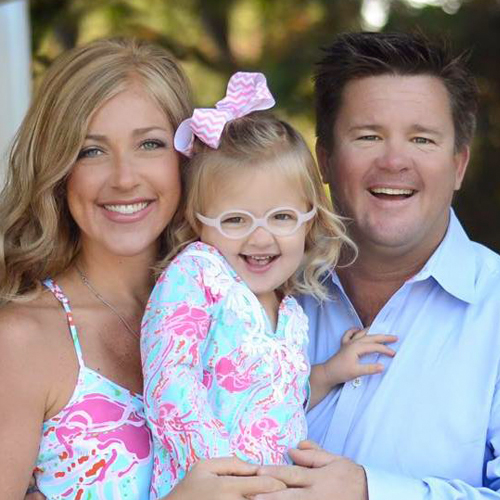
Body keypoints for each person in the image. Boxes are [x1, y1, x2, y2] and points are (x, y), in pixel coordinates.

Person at [0, 38, 287, 500]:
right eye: (91, 151)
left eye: (150, 144)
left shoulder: (246, 308)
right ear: (57, 169)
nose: (125, 177)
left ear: (186, 158)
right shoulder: (20, 340)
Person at [252, 31, 500, 500]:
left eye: (422, 139)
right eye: (368, 136)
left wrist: (371, 492)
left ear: (459, 165)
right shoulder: (258, 290)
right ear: (324, 160)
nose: (393, 161)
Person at [140, 71, 397, 499]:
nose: (260, 238)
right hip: (207, 486)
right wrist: (223, 473)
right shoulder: (196, 273)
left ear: (309, 219)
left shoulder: (290, 309)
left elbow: (281, 398)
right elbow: (169, 381)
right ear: (197, 221)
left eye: (281, 217)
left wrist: (331, 372)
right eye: (235, 220)